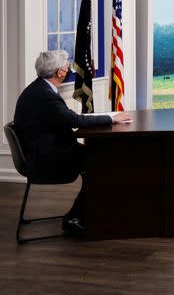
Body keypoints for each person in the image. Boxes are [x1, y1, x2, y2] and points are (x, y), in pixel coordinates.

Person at [13, 50, 133, 235]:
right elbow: (75, 121)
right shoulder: (45, 95)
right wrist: (112, 119)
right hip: (46, 159)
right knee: (101, 163)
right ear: (59, 72)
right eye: (67, 65)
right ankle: (73, 217)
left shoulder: (39, 88)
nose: (69, 67)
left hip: (45, 150)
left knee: (98, 158)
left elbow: (68, 118)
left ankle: (88, 211)